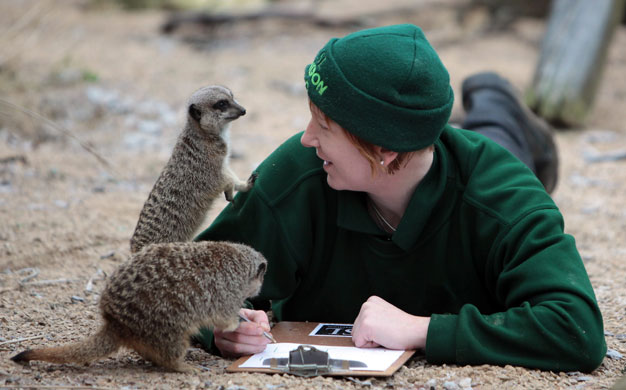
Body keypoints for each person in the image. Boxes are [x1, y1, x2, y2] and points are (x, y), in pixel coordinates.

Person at [194, 24, 606, 372]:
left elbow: (577, 330)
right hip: (424, 151)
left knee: (500, 140)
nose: (307, 138)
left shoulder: (502, 198)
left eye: (324, 125)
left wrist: (421, 330)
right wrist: (223, 326)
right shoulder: (298, 174)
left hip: (487, 161)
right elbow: (181, 284)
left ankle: (496, 99)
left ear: (384, 150)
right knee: (462, 140)